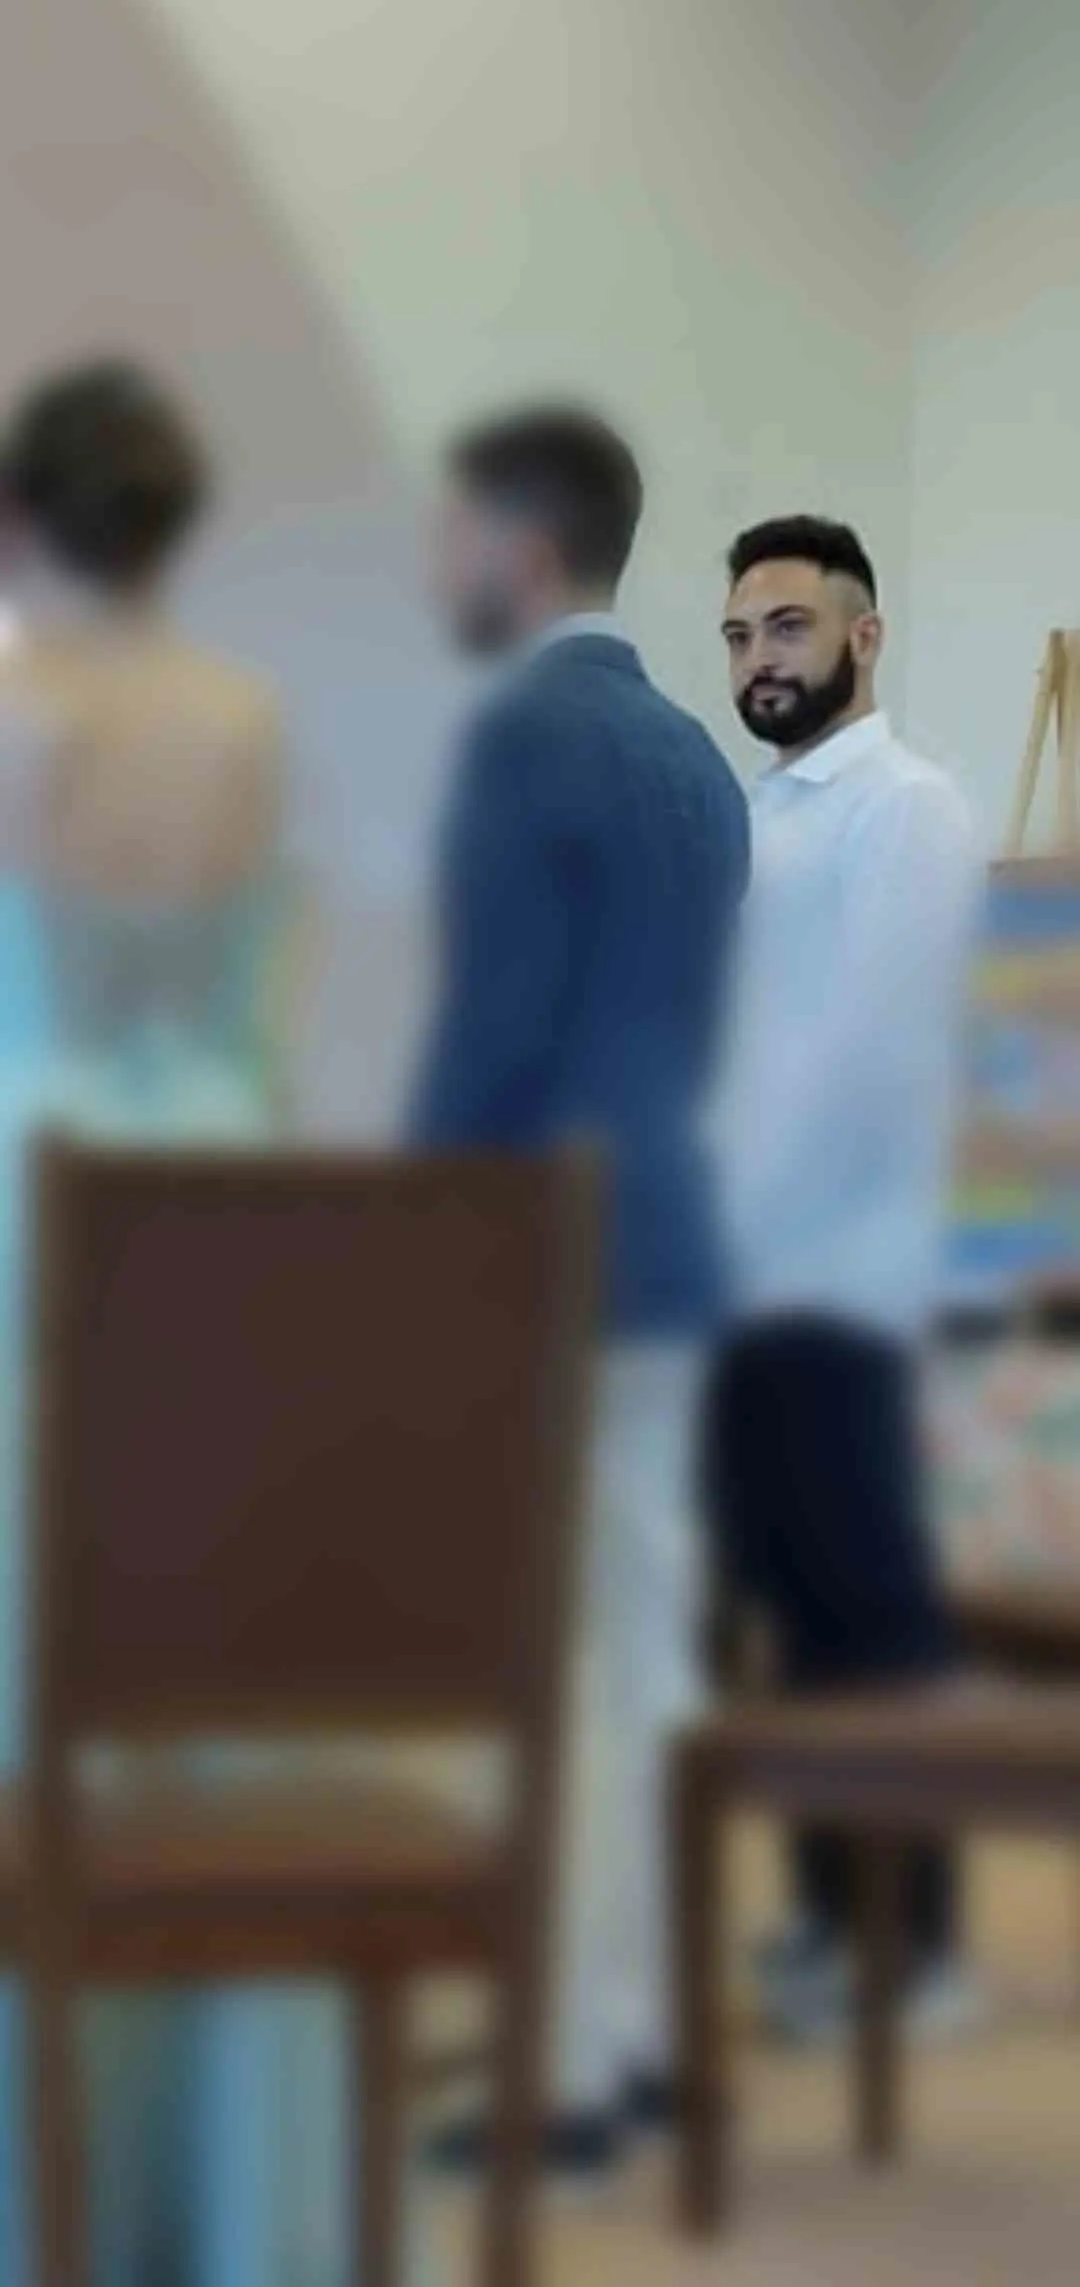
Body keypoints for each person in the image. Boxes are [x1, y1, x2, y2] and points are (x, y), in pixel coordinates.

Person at [0, 359, 326, 2287]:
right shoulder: (247, 722)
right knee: (201, 1716)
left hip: (25, 1202)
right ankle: (216, 2221)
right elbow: (263, 1021)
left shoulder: (11, 711)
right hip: (219, 1218)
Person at [410, 406, 749, 2164]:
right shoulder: (697, 755)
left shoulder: (517, 735)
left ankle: (559, 2079)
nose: (437, 561)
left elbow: (489, 1040)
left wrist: (397, 1249)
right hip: (674, 1236)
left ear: (522, 545)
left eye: (452, 528)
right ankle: (645, 2042)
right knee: (647, 1655)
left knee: (549, 1675)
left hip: (543, 1254)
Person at [704, 514, 982, 2041]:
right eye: (742, 635)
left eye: (790, 627)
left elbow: (870, 1061)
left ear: (864, 637)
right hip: (752, 1281)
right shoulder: (759, 813)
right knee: (795, 1619)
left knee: (869, 1617)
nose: (761, 659)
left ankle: (920, 1948)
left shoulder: (909, 810)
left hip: (845, 1279)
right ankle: (831, 1918)